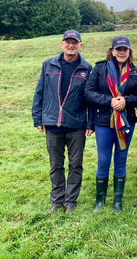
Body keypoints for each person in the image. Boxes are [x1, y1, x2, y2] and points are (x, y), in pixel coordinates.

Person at [32, 29, 94, 214]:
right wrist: (38, 118)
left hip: (76, 125)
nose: (71, 45)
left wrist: (90, 123)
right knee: (56, 165)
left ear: (80, 45)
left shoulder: (87, 68)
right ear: (62, 44)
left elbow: (90, 98)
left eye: (74, 42)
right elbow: (39, 93)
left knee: (76, 165)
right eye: (67, 42)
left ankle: (70, 202)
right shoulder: (48, 65)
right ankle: (57, 201)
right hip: (52, 123)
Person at [85, 35, 137, 212]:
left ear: (129, 51)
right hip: (103, 121)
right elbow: (88, 92)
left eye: (124, 49)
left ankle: (117, 202)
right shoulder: (99, 68)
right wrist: (109, 101)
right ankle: (99, 201)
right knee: (103, 160)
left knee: (121, 160)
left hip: (126, 122)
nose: (121, 52)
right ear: (112, 51)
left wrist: (125, 101)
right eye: (118, 49)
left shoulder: (134, 72)